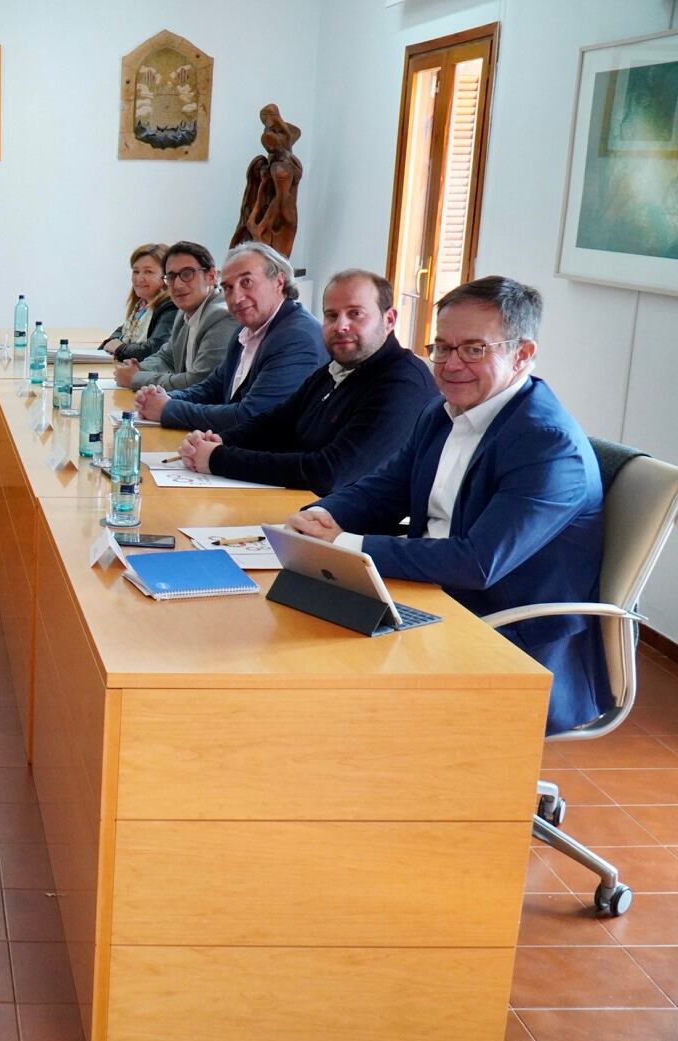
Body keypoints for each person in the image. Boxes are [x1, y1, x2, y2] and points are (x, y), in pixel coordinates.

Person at [287, 276, 610, 734]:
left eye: (474, 349)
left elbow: (477, 562)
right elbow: (385, 488)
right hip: (436, 597)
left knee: (324, 671)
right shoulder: (441, 412)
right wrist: (322, 515)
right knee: (296, 619)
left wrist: (344, 542)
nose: (450, 364)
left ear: (522, 353)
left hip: (506, 634)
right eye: (441, 346)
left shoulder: (546, 444)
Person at [177, 269, 438, 495]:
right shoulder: (336, 368)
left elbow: (328, 472)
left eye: (356, 314)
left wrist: (218, 458)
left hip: (353, 533)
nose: (341, 326)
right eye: (331, 316)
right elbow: (276, 423)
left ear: (389, 319)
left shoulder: (402, 385)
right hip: (302, 508)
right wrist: (219, 440)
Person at [137, 241, 325, 429]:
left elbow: (250, 417)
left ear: (279, 281)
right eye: (228, 287)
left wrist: (167, 408)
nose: (236, 298)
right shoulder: (246, 330)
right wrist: (163, 397)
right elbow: (212, 388)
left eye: (247, 282)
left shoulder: (297, 338)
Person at [119, 241, 234, 391]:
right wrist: (137, 367)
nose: (178, 284)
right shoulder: (184, 312)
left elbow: (199, 382)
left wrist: (136, 378)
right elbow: (166, 357)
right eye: (171, 276)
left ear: (211, 276)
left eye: (187, 274)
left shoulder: (222, 316)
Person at [99, 243, 178, 365]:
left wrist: (118, 348)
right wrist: (112, 342)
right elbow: (122, 331)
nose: (139, 278)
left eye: (148, 272)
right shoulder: (142, 305)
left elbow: (153, 350)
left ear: (166, 276)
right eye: (136, 271)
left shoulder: (171, 307)